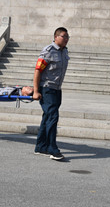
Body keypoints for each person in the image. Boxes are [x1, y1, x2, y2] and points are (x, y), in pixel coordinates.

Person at [33, 27, 70, 161]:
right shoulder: (48, 51)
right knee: (53, 117)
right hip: (47, 89)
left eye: (67, 37)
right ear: (56, 37)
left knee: (47, 117)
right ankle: (52, 148)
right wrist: (36, 91)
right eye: (64, 36)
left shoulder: (64, 51)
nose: (66, 39)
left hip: (57, 89)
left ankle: (41, 146)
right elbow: (38, 71)